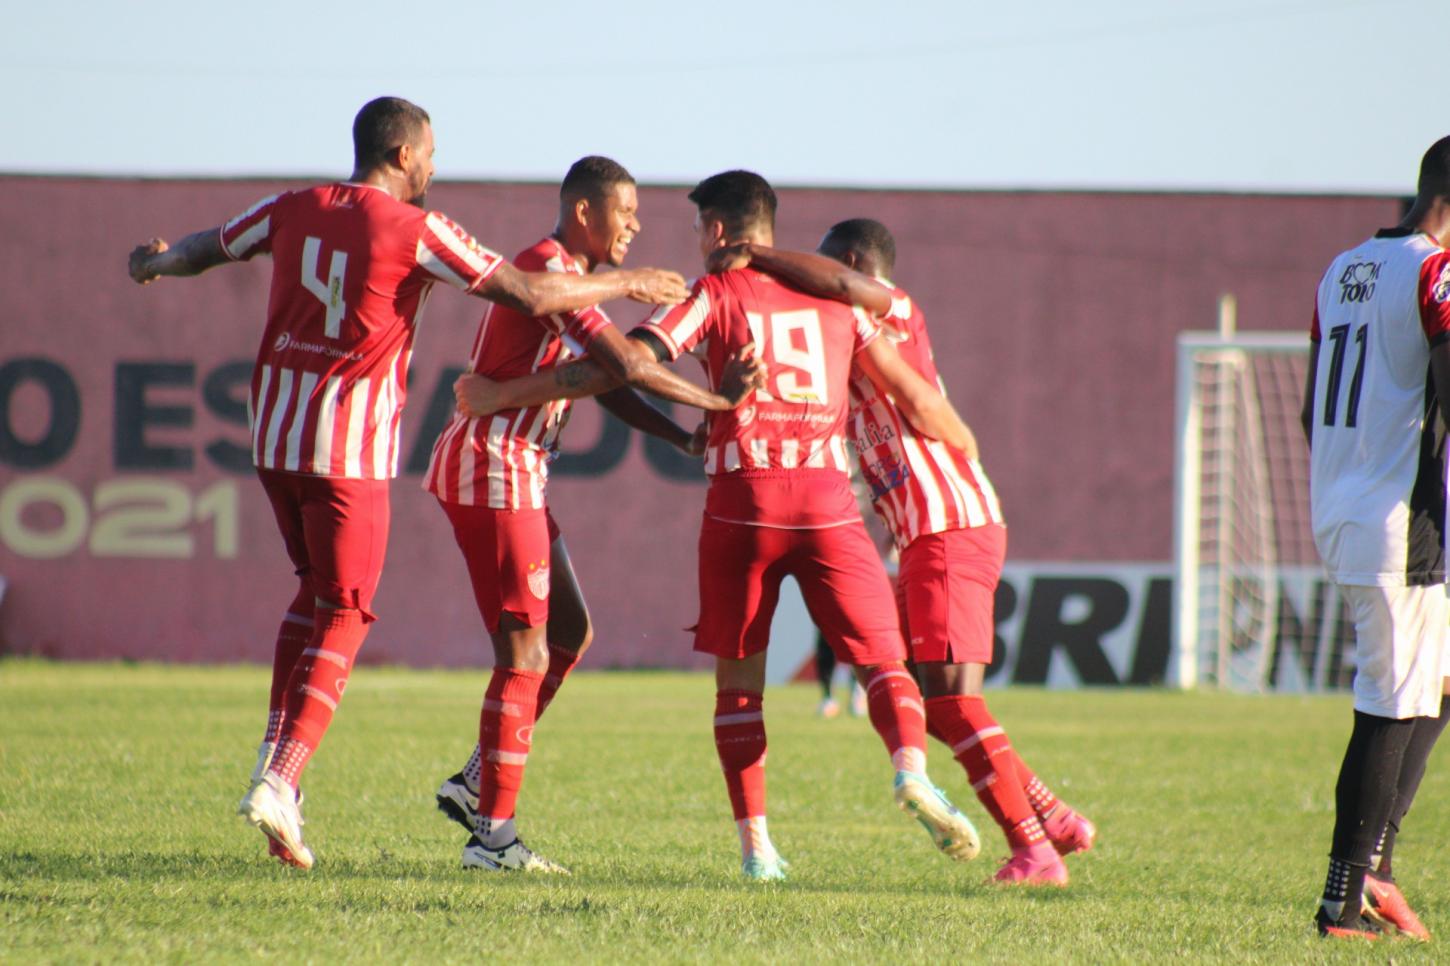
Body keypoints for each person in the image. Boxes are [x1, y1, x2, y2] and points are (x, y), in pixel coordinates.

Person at [126, 97, 692, 870]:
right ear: (401, 154)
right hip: (350, 449)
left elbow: (207, 247)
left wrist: (156, 262)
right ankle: (292, 781)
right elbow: (530, 295)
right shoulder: (419, 229)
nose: (435, 167)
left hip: (274, 439)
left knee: (319, 592)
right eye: (429, 155)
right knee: (354, 611)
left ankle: (280, 763)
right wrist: (635, 294)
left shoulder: (292, 207)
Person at [457, 171, 982, 882]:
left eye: (698, 227)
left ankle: (757, 847)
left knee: (740, 684)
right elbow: (908, 389)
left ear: (717, 230)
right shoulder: (832, 297)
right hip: (828, 501)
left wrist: (508, 393)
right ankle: (912, 770)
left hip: (744, 502)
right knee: (885, 664)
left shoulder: (714, 292)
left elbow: (629, 364)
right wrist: (964, 454)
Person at [712, 219, 1097, 885]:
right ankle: (1051, 817)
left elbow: (847, 301)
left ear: (858, 268)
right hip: (930, 531)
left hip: (950, 521)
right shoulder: (843, 344)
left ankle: (1034, 851)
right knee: (926, 699)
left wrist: (758, 256)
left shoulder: (896, 313)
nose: (821, 292)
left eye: (832, 277)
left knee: (951, 701)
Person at [424, 156, 761, 873]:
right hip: (494, 466)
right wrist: (719, 403)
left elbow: (604, 380)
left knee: (569, 632)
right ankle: (495, 839)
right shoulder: (548, 266)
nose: (637, 225)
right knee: (526, 653)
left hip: (513, 468)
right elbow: (629, 363)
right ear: (585, 213)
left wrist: (677, 436)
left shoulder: (567, 278)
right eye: (627, 210)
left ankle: (479, 783)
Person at [1298, 135, 1450, 940]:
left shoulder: (1340, 271)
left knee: (1436, 683)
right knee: (1388, 708)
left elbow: (1307, 410)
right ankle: (1343, 896)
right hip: (1401, 523)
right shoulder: (1436, 271)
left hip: (1348, 505)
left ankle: (1378, 871)